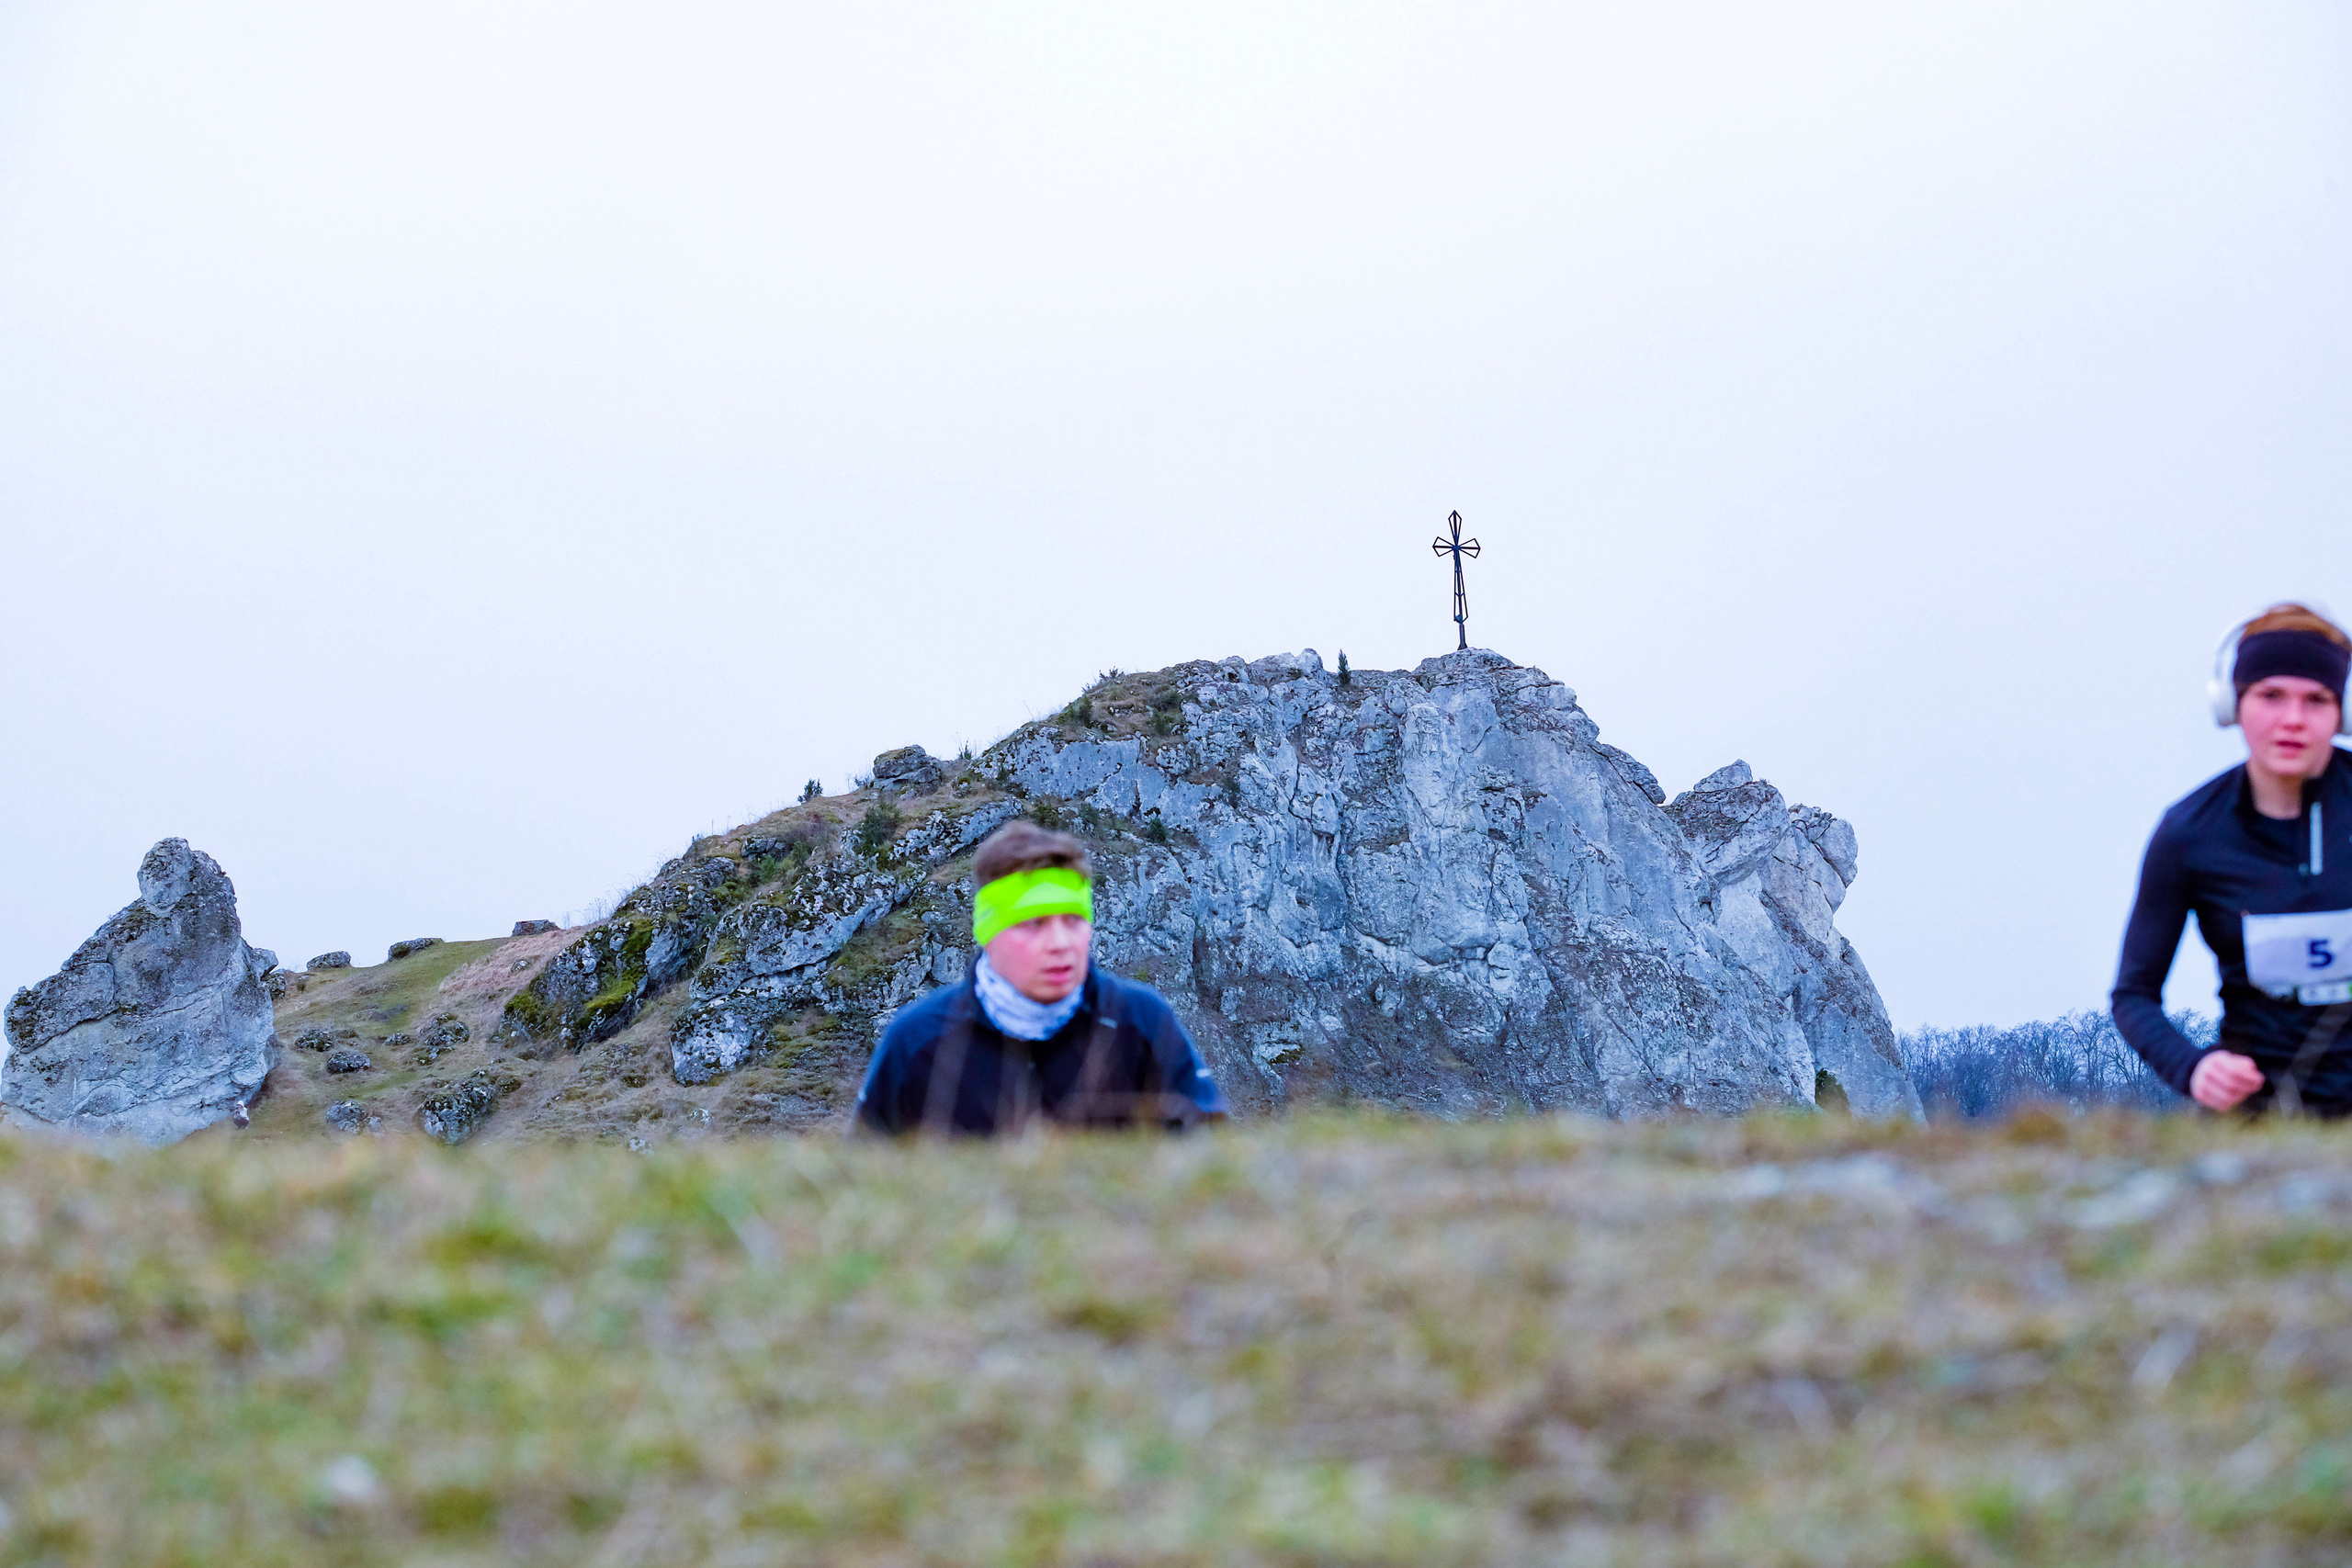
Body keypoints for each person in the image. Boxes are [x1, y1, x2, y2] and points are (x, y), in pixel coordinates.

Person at [2114, 603, 2352, 1116]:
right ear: (2231, 704)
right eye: (2271, 696)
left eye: (2316, 699)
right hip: (2255, 1119)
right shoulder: (2189, 834)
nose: (2293, 719)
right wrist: (2193, 1067)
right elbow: (2133, 995)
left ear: (2343, 712)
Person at [852, 819, 1228, 1134]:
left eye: (1073, 920)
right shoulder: (917, 1040)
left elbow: (1215, 1165)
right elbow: (861, 1186)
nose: (1061, 943)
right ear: (988, 932)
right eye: (1034, 924)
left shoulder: (1143, 1021)